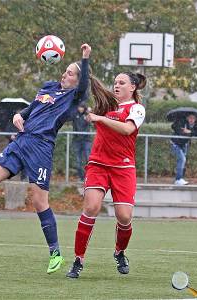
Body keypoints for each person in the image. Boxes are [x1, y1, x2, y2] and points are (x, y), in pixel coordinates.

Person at [0, 43, 96, 275]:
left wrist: (85, 59)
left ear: (78, 80)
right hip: (20, 141)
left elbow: (85, 88)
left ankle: (55, 252)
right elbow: (30, 111)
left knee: (39, 202)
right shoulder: (48, 87)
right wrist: (19, 116)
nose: (64, 74)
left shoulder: (73, 97)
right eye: (65, 70)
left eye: (70, 72)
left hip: (41, 147)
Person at [66, 72, 146, 278]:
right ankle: (77, 260)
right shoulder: (105, 105)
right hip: (98, 165)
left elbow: (127, 130)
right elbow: (91, 88)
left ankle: (119, 252)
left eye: (122, 83)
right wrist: (84, 70)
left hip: (123, 168)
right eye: (115, 82)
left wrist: (100, 117)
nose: (117, 85)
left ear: (133, 88)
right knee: (91, 207)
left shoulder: (136, 108)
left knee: (124, 216)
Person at [170, 114, 197, 185]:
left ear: (195, 119)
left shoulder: (195, 125)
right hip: (175, 143)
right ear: (187, 118)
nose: (192, 120)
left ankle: (180, 178)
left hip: (184, 145)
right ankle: (178, 180)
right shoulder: (182, 122)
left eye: (193, 118)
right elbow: (174, 127)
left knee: (182, 161)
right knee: (182, 159)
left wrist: (190, 131)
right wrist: (184, 131)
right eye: (190, 118)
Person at [72, 103, 92, 181]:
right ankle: (81, 177)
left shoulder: (87, 115)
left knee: (88, 158)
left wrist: (89, 112)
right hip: (77, 141)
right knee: (78, 161)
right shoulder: (75, 115)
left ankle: (89, 176)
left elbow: (92, 120)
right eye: (79, 107)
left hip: (86, 140)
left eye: (82, 107)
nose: (80, 109)